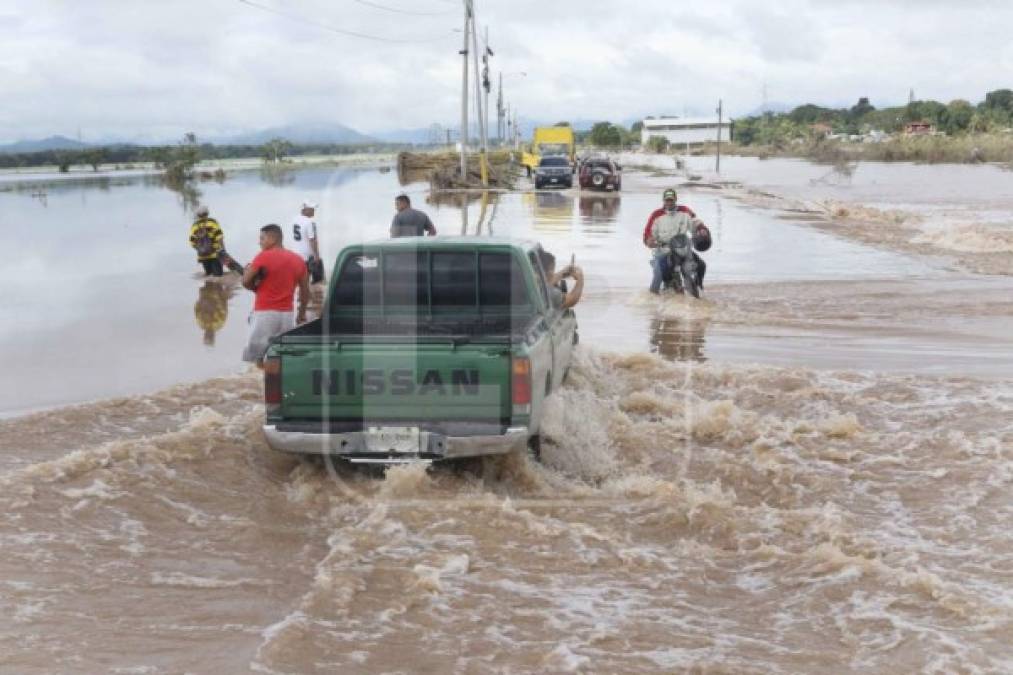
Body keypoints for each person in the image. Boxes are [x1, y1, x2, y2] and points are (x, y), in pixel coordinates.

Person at [241, 224, 310, 365]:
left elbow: (245, 281)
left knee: (257, 357)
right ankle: (277, 383)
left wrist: (254, 287)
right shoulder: (298, 260)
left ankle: (261, 382)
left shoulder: (263, 257)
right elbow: (305, 291)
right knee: (279, 357)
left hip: (264, 315)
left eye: (262, 238)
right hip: (287, 316)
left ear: (272, 238)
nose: (259, 242)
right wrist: (301, 314)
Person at [642, 188, 708, 294]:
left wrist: (702, 229)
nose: (669, 202)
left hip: (683, 250)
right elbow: (647, 235)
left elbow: (696, 222)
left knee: (701, 265)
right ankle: (653, 297)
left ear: (675, 199)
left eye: (671, 200)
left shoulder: (685, 211)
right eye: (667, 200)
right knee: (658, 274)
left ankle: (698, 285)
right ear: (663, 201)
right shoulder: (656, 215)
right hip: (664, 251)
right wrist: (649, 241)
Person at [189, 205, 244, 277]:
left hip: (202, 256)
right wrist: (223, 250)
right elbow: (219, 237)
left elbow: (192, 242)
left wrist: (201, 250)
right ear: (207, 213)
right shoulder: (212, 222)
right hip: (215, 254)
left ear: (198, 215)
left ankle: (210, 287)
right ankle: (216, 287)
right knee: (218, 276)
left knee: (209, 275)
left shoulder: (194, 226)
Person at [291, 200, 325, 284]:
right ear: (305, 209)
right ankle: (305, 296)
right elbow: (312, 240)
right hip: (307, 258)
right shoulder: (309, 222)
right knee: (314, 282)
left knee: (300, 282)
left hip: (296, 256)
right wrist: (317, 256)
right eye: (311, 208)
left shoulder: (294, 219)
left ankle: (300, 296)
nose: (314, 210)